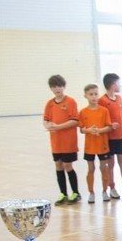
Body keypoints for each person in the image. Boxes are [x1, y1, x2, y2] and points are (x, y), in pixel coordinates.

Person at [43, 75, 81, 205]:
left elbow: (75, 120)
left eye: (59, 86)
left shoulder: (70, 101)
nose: (57, 88)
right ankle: (63, 193)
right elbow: (46, 119)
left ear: (64, 86)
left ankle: (75, 192)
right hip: (56, 142)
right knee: (58, 165)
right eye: (54, 86)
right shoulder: (50, 103)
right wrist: (48, 125)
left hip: (68, 140)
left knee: (67, 165)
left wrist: (59, 126)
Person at [78, 84, 112, 203]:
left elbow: (109, 126)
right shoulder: (83, 112)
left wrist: (99, 130)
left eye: (96, 94)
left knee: (104, 168)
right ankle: (91, 192)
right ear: (85, 96)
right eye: (91, 94)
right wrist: (88, 130)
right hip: (90, 147)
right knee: (91, 169)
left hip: (102, 145)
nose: (93, 97)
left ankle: (104, 191)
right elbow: (81, 129)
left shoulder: (104, 111)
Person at [99, 73, 122, 200]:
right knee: (111, 163)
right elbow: (101, 118)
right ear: (113, 85)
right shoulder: (102, 101)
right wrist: (110, 125)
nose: (119, 85)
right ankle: (112, 187)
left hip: (120, 136)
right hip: (109, 137)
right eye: (118, 83)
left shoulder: (119, 98)